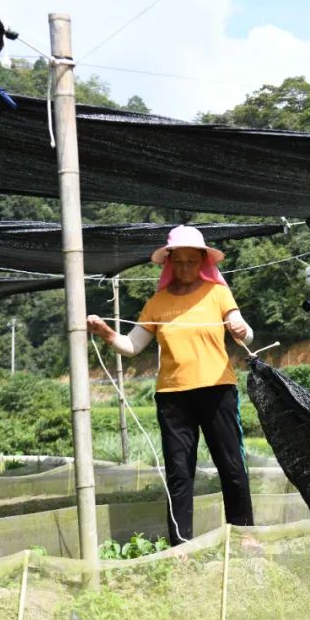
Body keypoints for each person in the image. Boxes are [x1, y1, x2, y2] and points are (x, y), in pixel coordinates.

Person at [87, 225, 255, 545]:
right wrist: (106, 333)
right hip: (173, 398)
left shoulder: (218, 293)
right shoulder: (157, 303)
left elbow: (246, 335)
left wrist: (239, 328)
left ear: (203, 261)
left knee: (232, 465)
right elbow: (132, 346)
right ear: (168, 262)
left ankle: (245, 535)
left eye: (192, 261)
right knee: (179, 473)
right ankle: (181, 546)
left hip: (218, 390)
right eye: (178, 261)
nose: (185, 268)